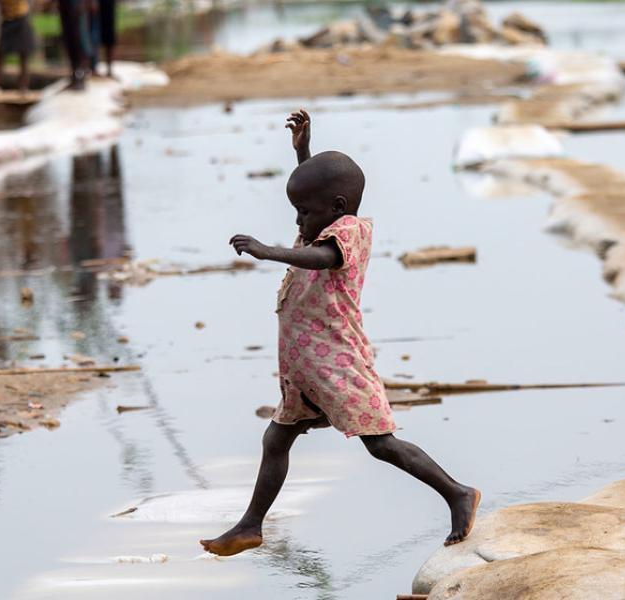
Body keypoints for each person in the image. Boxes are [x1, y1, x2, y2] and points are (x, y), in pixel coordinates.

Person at [201, 110, 481, 557]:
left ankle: (456, 493)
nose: (299, 221)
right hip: (305, 367)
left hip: (337, 362)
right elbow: (316, 199)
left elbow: (324, 259)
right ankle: (250, 526)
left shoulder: (348, 232)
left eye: (304, 212)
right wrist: (303, 153)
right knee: (276, 439)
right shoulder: (326, 220)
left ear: (335, 208)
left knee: (381, 444)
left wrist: (268, 251)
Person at [0, 0, 36, 95]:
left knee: (23, 56)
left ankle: (23, 88)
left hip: (21, 18)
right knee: (0, 56)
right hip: (8, 19)